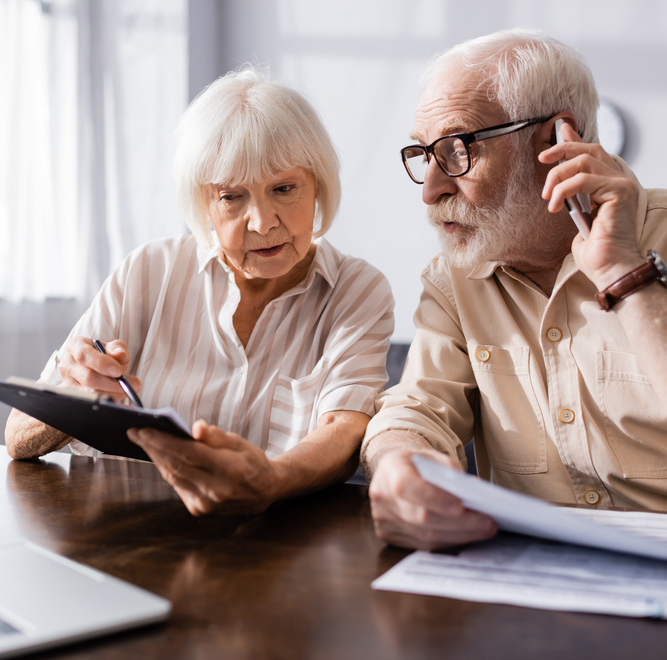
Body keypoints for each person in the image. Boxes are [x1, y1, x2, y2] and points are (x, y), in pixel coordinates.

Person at [5, 67, 394, 516]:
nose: (263, 222)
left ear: (319, 187)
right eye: (233, 197)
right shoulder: (149, 270)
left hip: (271, 543)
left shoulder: (358, 290)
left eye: (284, 188)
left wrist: (269, 481)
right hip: (124, 529)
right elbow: (18, 438)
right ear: (203, 203)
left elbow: (343, 432)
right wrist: (75, 394)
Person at [361, 28, 667, 551]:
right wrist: (399, 462)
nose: (431, 191)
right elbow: (415, 408)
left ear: (552, 143)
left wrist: (624, 273)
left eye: (457, 151)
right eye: (423, 155)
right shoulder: (454, 278)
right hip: (529, 584)